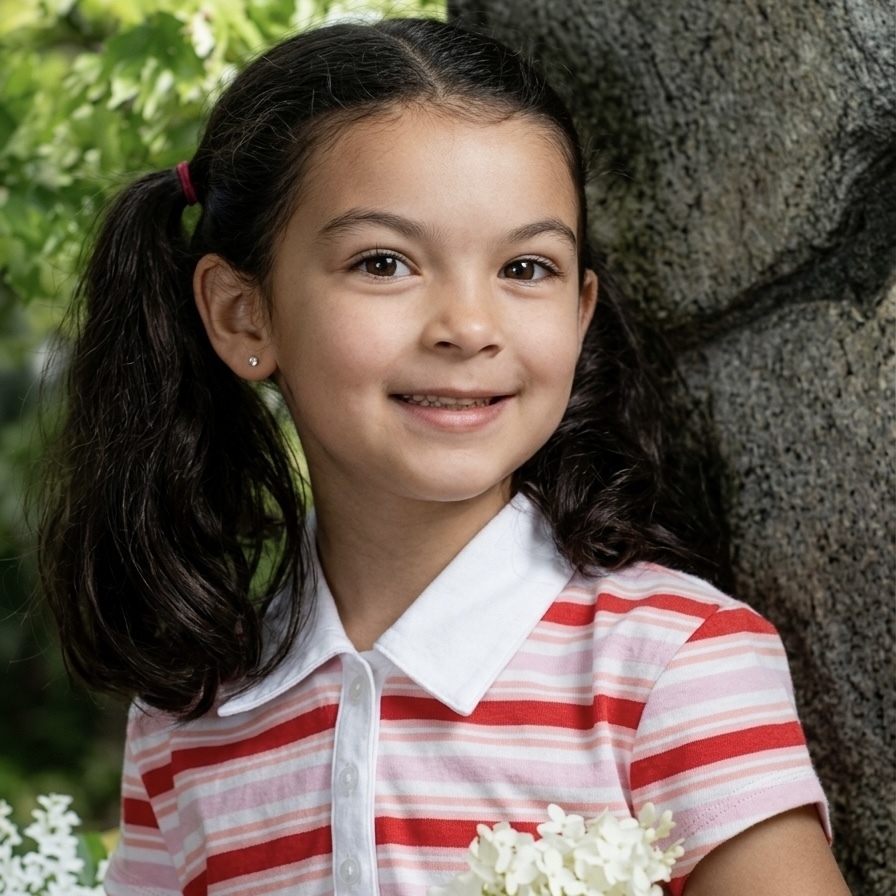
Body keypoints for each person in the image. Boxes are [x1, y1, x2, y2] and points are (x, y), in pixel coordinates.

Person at [39, 16, 850, 896]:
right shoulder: (186, 717)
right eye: (384, 262)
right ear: (245, 314)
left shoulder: (677, 664)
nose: (468, 327)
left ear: (581, 312)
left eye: (526, 268)